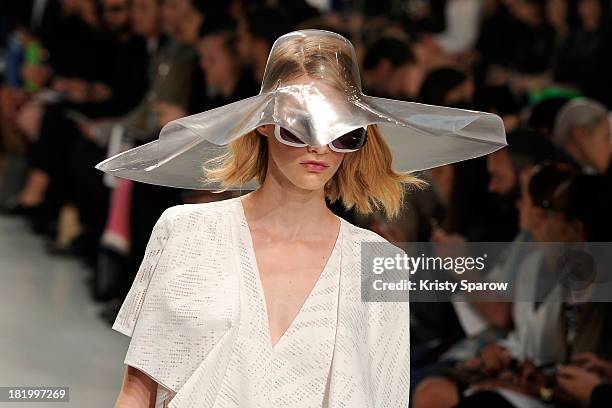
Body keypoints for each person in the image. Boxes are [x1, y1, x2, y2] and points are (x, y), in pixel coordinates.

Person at [98, 30, 506, 407]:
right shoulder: (187, 231)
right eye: (299, 124)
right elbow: (138, 390)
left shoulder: (378, 264)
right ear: (263, 122)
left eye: (343, 130)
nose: (319, 145)